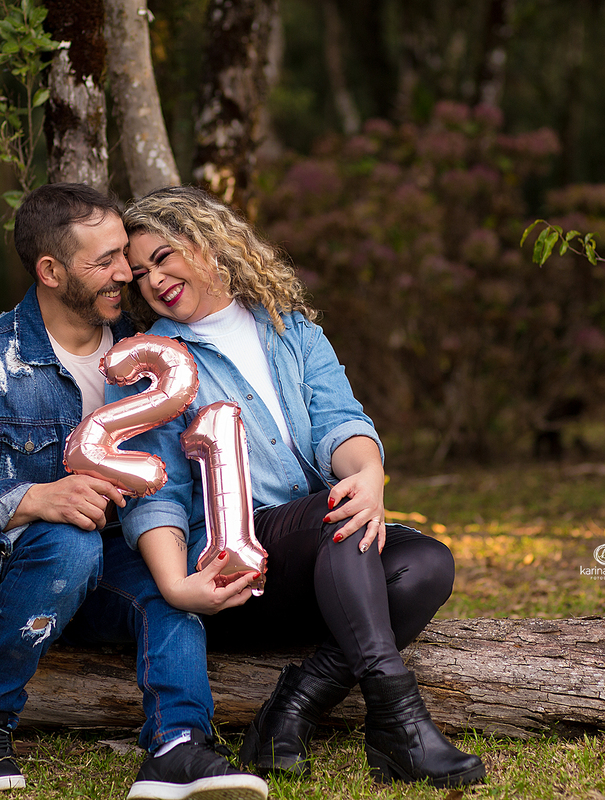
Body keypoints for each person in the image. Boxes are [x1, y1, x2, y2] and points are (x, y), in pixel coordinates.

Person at [110, 185, 487, 788]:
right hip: (231, 573)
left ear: (209, 242)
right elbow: (153, 487)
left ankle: (294, 706)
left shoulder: (291, 330)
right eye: (139, 274)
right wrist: (177, 587)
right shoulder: (152, 360)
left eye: (164, 256)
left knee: (427, 565)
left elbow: (341, 421)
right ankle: (398, 721)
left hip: (324, 558)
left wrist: (367, 475)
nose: (153, 280)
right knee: (332, 520)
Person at [0, 183, 267, 800]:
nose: (125, 273)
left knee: (168, 569)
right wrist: (36, 498)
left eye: (122, 255)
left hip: (108, 571)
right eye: (102, 262)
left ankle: (178, 746)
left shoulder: (149, 350)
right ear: (51, 271)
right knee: (68, 541)